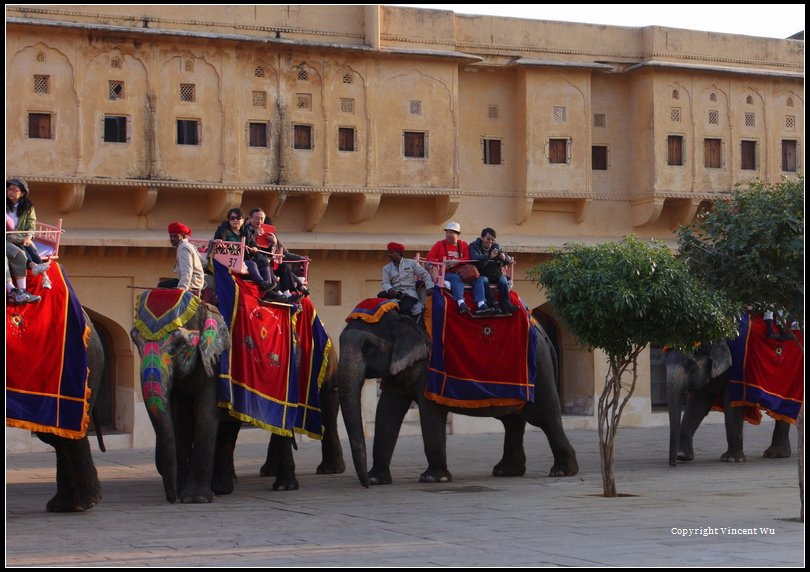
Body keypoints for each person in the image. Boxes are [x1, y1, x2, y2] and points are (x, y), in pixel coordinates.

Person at [426, 221, 496, 316]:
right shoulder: (439, 244)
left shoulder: (463, 244)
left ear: (458, 234)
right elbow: (430, 257)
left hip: (463, 271)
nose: (448, 235)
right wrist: (443, 263)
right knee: (455, 278)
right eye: (447, 232)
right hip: (446, 272)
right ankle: (461, 303)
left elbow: (468, 257)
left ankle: (481, 305)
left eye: (451, 232)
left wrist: (456, 261)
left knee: (478, 279)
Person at [6, 178, 51, 289]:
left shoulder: (27, 206)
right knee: (21, 246)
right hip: (7, 236)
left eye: (14, 190)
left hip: (21, 235)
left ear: (22, 193)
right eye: (9, 189)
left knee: (28, 244)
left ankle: (44, 275)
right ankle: (41, 272)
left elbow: (31, 223)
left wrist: (29, 236)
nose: (10, 192)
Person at [469, 227, 520, 314]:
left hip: (494, 273)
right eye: (488, 239)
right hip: (481, 273)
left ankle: (506, 304)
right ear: (482, 237)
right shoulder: (474, 246)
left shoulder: (495, 246)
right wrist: (489, 257)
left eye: (492, 239)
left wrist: (504, 258)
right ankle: (492, 304)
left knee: (503, 279)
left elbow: (507, 260)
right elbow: (475, 257)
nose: (490, 242)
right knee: (484, 280)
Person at [378, 241, 434, 319]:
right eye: (388, 253)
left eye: (391, 252)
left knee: (404, 309)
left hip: (409, 294)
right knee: (380, 296)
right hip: (395, 293)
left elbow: (424, 274)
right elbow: (385, 282)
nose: (389, 255)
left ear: (398, 253)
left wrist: (429, 287)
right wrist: (390, 289)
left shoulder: (411, 263)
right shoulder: (386, 268)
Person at [242, 208, 286, 302]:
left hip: (261, 258)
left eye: (262, 219)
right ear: (250, 218)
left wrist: (273, 243)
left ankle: (271, 292)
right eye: (257, 218)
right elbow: (245, 246)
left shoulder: (263, 230)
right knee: (265, 263)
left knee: (267, 263)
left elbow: (268, 253)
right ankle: (272, 292)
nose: (260, 221)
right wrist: (254, 236)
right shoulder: (245, 229)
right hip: (248, 257)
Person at [262, 227, 309, 302]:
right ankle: (298, 287)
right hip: (264, 265)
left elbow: (286, 254)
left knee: (284, 266)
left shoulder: (276, 241)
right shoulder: (257, 238)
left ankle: (288, 292)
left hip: (276, 266)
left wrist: (301, 258)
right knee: (268, 266)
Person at [166, 221, 205, 296]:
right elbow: (204, 262)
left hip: (192, 283)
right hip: (197, 281)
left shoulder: (183, 248)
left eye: (175, 236)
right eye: (171, 236)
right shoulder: (189, 245)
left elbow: (187, 271)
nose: (172, 239)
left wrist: (182, 289)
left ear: (183, 236)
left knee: (161, 286)